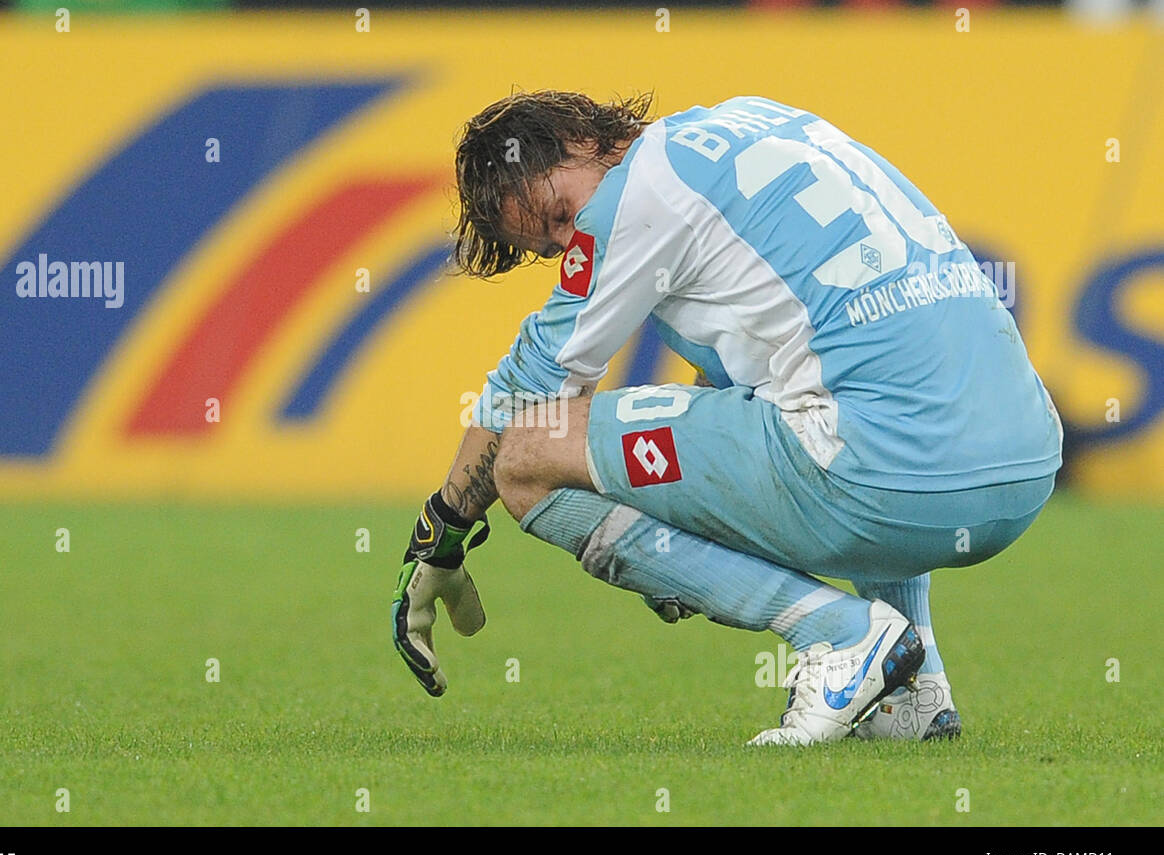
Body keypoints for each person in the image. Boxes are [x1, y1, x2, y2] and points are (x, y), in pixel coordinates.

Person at [390, 91, 1063, 745]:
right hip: (1025, 465)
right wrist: (674, 513)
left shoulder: (636, 196)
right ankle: (915, 695)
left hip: (890, 478)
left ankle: (842, 634)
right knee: (848, 389)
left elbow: (528, 394)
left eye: (560, 212)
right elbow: (757, 371)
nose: (572, 242)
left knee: (528, 460)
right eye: (549, 245)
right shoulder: (759, 121)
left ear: (584, 142)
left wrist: (442, 531)